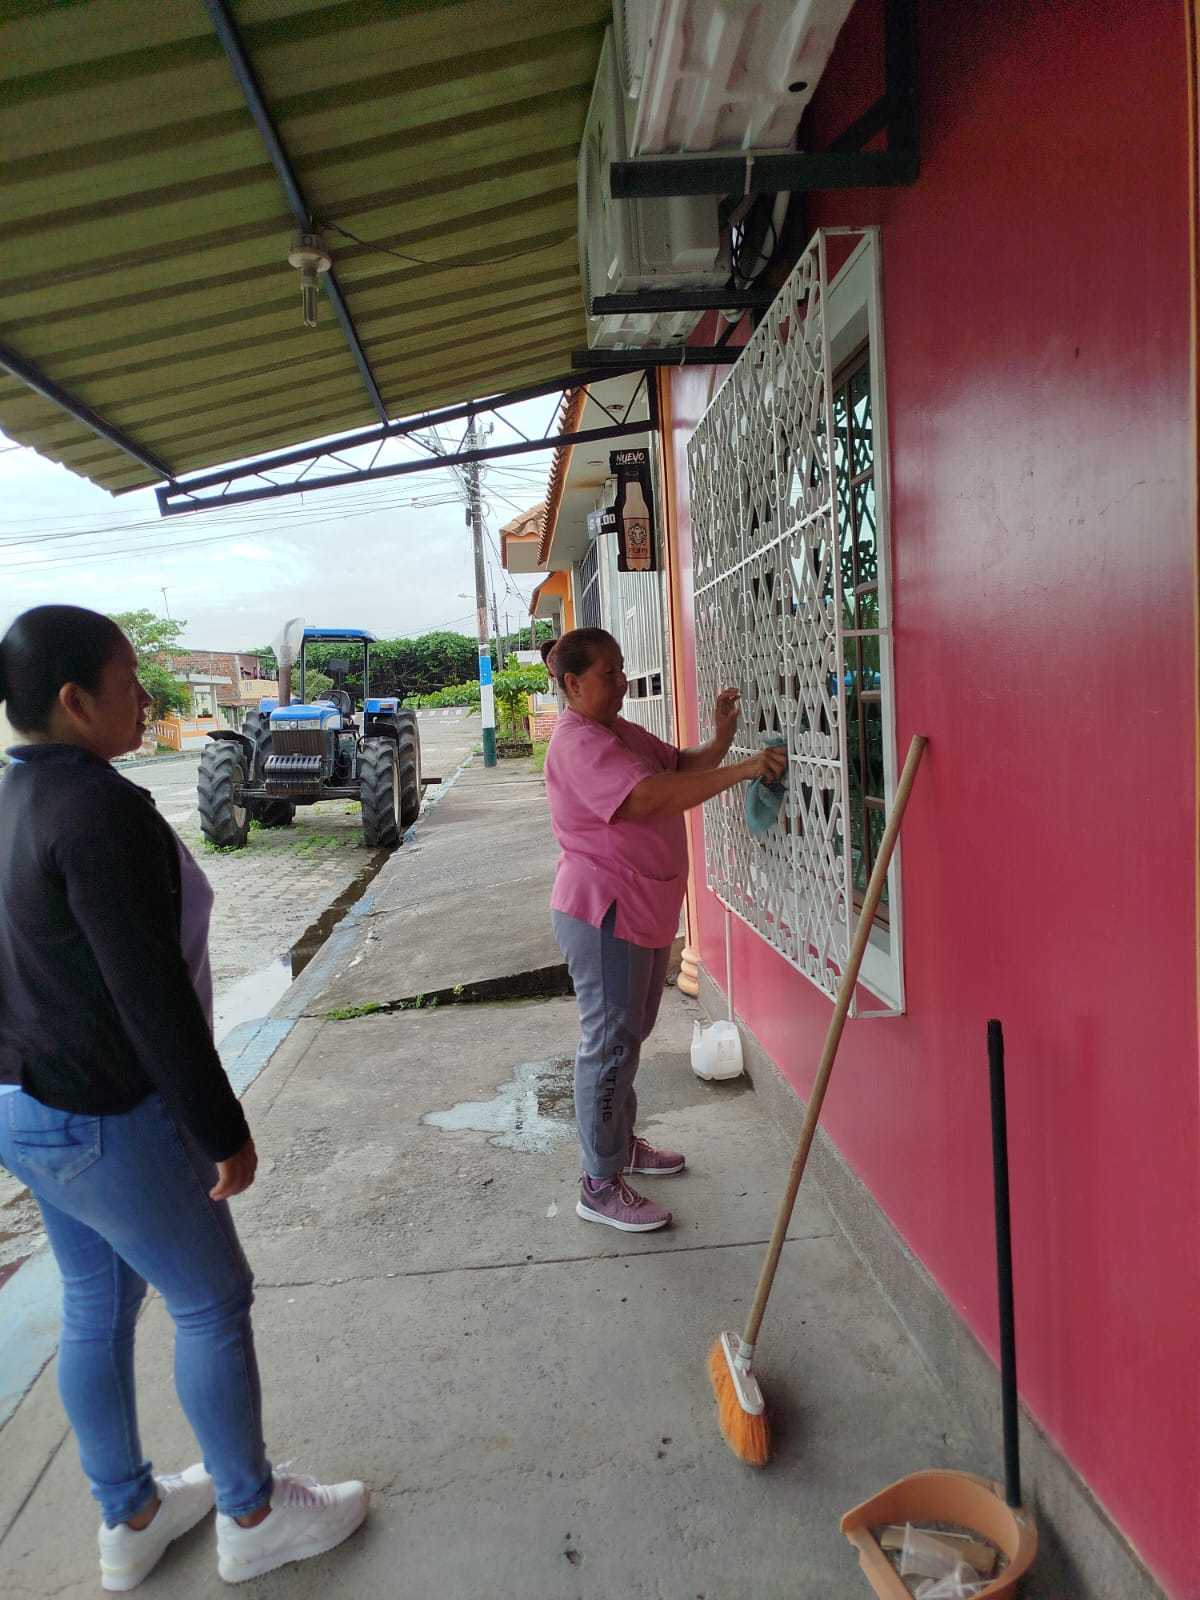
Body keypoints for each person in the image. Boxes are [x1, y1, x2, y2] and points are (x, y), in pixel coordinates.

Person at [0, 606, 369, 1591]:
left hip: (22, 1106)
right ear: (74, 701)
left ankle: (128, 1515)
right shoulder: (98, 809)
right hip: (102, 1112)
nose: (144, 699)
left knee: (96, 1297)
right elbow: (149, 992)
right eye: (128, 684)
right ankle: (252, 1513)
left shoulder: (11, 802)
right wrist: (220, 1127)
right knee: (211, 1299)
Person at [543, 627, 788, 1233]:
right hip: (605, 913)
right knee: (610, 1043)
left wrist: (722, 739)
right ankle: (598, 1182)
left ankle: (619, 1145)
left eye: (622, 668)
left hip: (641, 908)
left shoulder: (618, 731)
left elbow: (679, 766)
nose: (622, 682)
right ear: (573, 683)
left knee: (628, 1038)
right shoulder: (577, 743)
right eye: (608, 673)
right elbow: (650, 797)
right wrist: (743, 769)